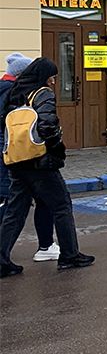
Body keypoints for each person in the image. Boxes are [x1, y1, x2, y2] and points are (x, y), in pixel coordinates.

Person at [0, 58, 93, 277]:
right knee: (61, 205)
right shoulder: (42, 94)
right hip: (39, 161)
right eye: (52, 77)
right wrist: (57, 148)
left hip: (17, 159)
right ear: (44, 76)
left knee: (16, 210)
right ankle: (70, 255)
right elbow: (48, 124)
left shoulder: (15, 92)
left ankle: (2, 259)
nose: (53, 82)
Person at [0, 53, 57, 263]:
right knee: (17, 204)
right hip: (20, 153)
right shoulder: (18, 92)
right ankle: (49, 246)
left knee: (15, 204)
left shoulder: (7, 89)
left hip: (10, 153)